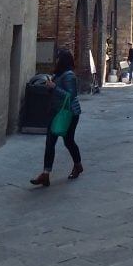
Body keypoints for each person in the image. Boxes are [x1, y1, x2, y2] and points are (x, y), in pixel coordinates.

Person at [30, 48, 82, 186]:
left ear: (63, 61)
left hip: (69, 113)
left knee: (68, 141)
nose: (56, 60)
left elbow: (70, 96)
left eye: (58, 58)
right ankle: (45, 174)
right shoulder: (59, 74)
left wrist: (54, 87)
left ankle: (78, 165)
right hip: (56, 112)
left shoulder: (69, 75)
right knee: (50, 143)